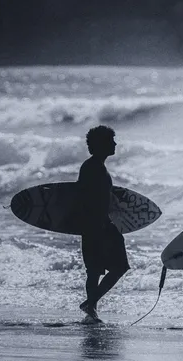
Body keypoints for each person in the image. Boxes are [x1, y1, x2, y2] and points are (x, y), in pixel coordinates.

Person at [77, 125, 130, 322]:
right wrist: (98, 225)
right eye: (111, 141)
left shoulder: (96, 167)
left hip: (97, 225)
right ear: (101, 144)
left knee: (101, 269)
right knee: (104, 269)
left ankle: (91, 306)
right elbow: (86, 198)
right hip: (98, 226)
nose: (115, 144)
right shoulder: (92, 168)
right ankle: (91, 306)